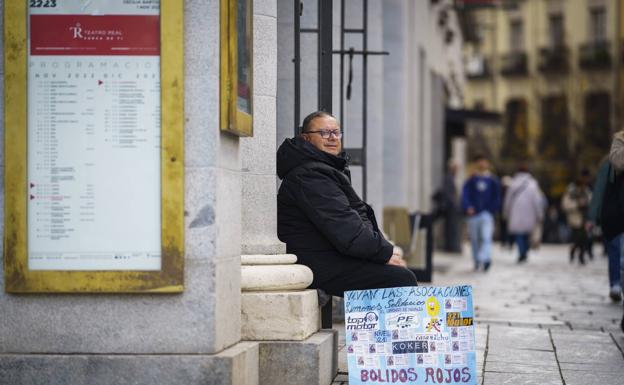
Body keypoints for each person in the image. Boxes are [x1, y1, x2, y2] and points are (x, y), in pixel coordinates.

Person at [276, 111, 417, 297]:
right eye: (325, 133)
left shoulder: (324, 170)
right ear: (307, 138)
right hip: (316, 261)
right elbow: (344, 226)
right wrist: (384, 253)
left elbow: (358, 216)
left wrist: (383, 251)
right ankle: (388, 326)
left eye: (336, 132)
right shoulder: (309, 176)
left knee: (397, 273)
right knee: (399, 279)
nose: (333, 138)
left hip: (330, 255)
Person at [586, 156, 621, 302]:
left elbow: (598, 191)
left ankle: (615, 284)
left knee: (614, 251)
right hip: (614, 215)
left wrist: (591, 218)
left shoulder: (607, 163)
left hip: (611, 215)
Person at [461, 154, 502, 271]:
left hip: (486, 214)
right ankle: (477, 260)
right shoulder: (471, 180)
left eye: (484, 161)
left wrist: (492, 209)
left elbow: (497, 197)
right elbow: (465, 195)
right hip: (473, 215)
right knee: (475, 239)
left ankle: (486, 258)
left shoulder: (493, 180)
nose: (482, 164)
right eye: (479, 161)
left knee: (486, 237)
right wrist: (467, 206)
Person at [503, 164, 545, 263]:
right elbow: (537, 200)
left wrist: (506, 212)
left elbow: (507, 200)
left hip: (515, 213)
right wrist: (539, 213)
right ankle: (524, 252)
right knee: (526, 234)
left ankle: (522, 253)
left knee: (519, 234)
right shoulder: (533, 184)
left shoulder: (513, 183)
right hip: (529, 213)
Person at [561, 171, 592, 265]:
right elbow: (565, 205)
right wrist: (577, 205)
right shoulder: (571, 191)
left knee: (584, 238)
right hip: (575, 219)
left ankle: (581, 256)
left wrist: (587, 204)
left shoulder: (587, 191)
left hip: (585, 218)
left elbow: (592, 200)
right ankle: (574, 250)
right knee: (578, 238)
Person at [432, 159, 461, 252]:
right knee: (451, 228)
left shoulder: (451, 177)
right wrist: (454, 204)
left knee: (451, 228)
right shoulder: (448, 178)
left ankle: (451, 246)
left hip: (449, 207)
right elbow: (448, 193)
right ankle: (451, 246)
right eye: (456, 168)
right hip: (449, 207)